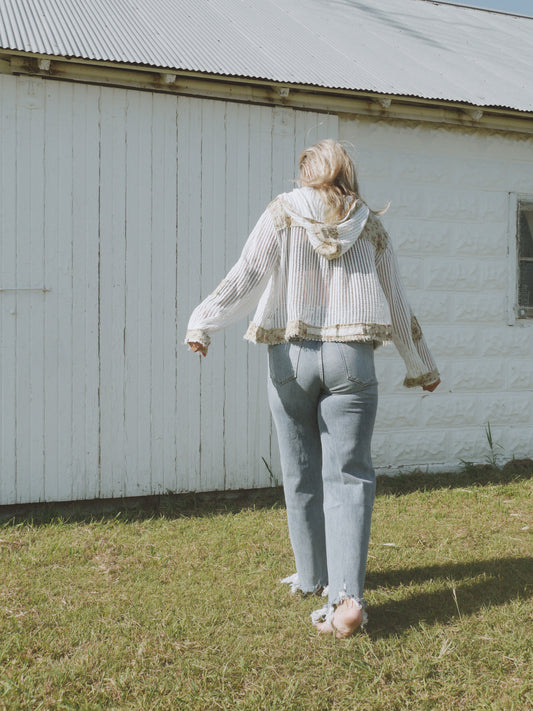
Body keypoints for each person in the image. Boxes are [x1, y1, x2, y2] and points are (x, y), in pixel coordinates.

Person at [185, 139, 440, 638]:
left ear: (306, 172)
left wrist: (202, 322)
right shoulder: (369, 222)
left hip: (290, 354)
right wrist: (421, 364)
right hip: (352, 358)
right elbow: (396, 298)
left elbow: (247, 273)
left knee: (298, 468)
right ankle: (345, 597)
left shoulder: (282, 212)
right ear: (347, 172)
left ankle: (310, 577)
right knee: (350, 476)